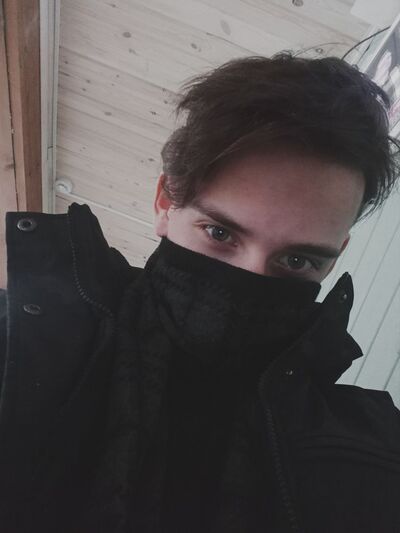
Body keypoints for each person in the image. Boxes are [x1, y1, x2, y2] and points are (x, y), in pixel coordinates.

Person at [0, 52, 400, 533]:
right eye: (220, 233)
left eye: (298, 261)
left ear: (336, 256)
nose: (251, 277)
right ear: (165, 202)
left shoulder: (373, 454)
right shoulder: (17, 352)